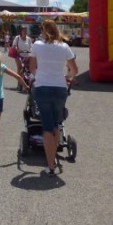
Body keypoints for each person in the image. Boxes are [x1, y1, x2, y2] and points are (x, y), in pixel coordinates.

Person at [29, 19, 79, 176]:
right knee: (56, 124)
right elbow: (74, 70)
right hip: (60, 88)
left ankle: (50, 164)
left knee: (47, 126)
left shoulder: (37, 45)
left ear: (43, 30)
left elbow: (32, 67)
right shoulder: (64, 47)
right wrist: (66, 77)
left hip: (43, 87)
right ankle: (53, 159)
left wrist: (40, 76)